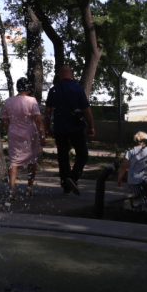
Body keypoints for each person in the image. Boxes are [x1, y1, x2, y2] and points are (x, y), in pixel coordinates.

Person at [45, 65, 95, 196]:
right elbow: (86, 110)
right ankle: (73, 177)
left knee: (62, 156)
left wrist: (47, 127)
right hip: (76, 127)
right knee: (82, 154)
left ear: (60, 75)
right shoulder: (78, 89)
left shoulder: (54, 90)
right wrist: (91, 126)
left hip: (59, 128)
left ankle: (65, 185)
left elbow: (48, 110)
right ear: (71, 75)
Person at [1, 77, 44, 199]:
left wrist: (8, 130)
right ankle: (29, 188)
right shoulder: (32, 101)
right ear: (28, 89)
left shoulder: (9, 101)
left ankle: (12, 188)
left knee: (13, 161)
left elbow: (4, 120)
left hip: (14, 133)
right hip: (30, 134)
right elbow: (38, 120)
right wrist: (43, 135)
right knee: (32, 160)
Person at [118, 131, 147, 212]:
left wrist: (119, 178)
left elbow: (123, 166)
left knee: (141, 198)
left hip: (134, 179)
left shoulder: (130, 151)